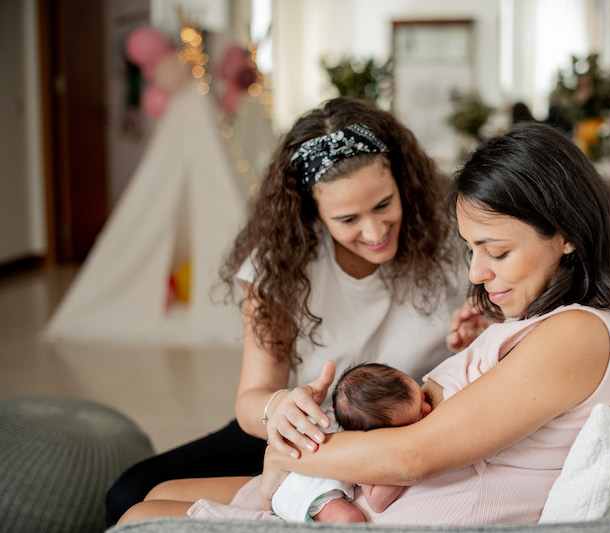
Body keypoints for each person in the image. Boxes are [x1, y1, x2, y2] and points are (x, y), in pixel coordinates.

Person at [118, 122, 610, 526]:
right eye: (471, 250)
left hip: (382, 495)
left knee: (142, 517)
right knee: (148, 492)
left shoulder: (577, 333)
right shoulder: (550, 318)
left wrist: (289, 455)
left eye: (495, 252)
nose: (475, 272)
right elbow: (258, 395)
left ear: (567, 234)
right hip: (344, 452)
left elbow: (413, 456)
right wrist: (284, 423)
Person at [108, 96, 475, 525]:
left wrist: (477, 332)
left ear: (403, 184)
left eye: (383, 205)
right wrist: (280, 407)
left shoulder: (452, 239)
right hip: (308, 429)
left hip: (404, 427)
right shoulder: (278, 265)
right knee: (129, 494)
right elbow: (252, 399)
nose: (375, 232)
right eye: (348, 219)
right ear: (313, 214)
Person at [271, 362, 433, 523]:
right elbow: (376, 502)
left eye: (423, 397)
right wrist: (400, 469)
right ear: (378, 434)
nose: (428, 409)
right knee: (350, 519)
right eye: (419, 416)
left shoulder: (345, 414)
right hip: (301, 491)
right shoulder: (368, 450)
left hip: (292, 471)